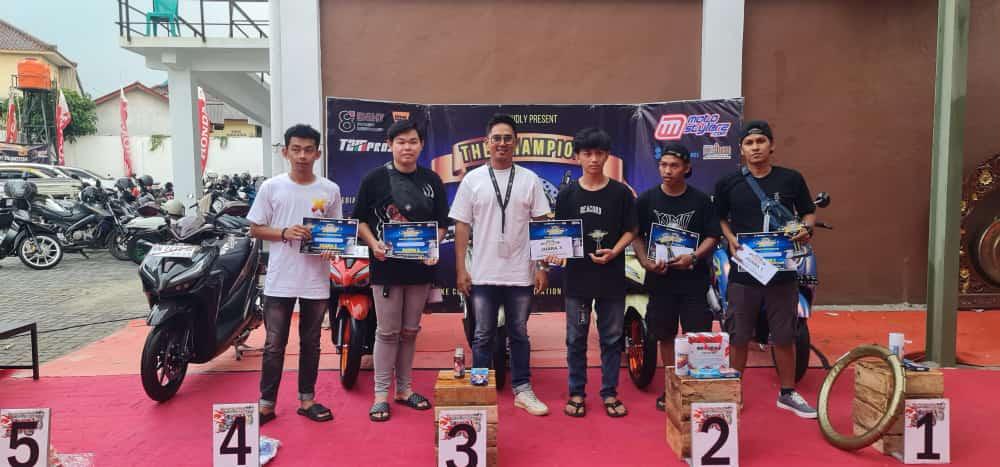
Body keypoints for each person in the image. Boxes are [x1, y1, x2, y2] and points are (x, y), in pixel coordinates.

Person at [450, 114, 552, 416]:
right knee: (482, 334)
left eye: (508, 138)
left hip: (521, 273)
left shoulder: (529, 179)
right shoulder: (473, 180)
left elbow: (541, 224)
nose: (502, 143)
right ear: (487, 143)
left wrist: (542, 266)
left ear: (516, 143)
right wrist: (461, 269)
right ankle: (479, 389)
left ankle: (523, 389)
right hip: (483, 273)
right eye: (497, 138)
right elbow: (462, 226)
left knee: (518, 333)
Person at [714, 120, 817, 418]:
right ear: (741, 150)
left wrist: (806, 229)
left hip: (782, 271)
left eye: (761, 141)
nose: (755, 147)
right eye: (749, 143)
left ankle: (787, 393)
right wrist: (730, 238)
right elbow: (719, 217)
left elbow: (808, 212)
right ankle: (734, 392)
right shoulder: (728, 183)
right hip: (744, 270)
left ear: (771, 145)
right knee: (739, 334)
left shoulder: (791, 179)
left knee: (785, 334)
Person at [352, 119, 450, 422]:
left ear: (421, 145)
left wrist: (433, 247)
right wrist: (374, 244)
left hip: (420, 268)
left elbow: (442, 224)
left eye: (413, 141)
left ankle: (404, 389)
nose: (407, 147)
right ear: (390, 145)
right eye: (401, 142)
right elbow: (360, 220)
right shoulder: (374, 179)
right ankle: (381, 394)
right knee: (387, 331)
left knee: (410, 331)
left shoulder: (432, 180)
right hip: (386, 267)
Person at [247, 124, 341, 425]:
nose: (302, 156)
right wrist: (284, 232)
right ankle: (266, 404)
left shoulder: (330, 190)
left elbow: (336, 233)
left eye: (308, 150)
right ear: (285, 152)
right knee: (274, 344)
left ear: (318, 154)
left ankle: (307, 400)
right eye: (296, 149)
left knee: (311, 342)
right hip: (280, 279)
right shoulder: (272, 187)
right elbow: (255, 229)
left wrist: (331, 247)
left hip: (315, 279)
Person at [552, 128, 636, 418]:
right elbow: (559, 233)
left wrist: (615, 251)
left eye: (599, 153)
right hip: (578, 279)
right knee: (576, 338)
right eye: (587, 153)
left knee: (611, 338)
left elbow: (631, 229)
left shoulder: (621, 193)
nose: (593, 159)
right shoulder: (566, 194)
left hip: (611, 277)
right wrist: (554, 251)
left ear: (607, 156)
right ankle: (576, 392)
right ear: (577, 157)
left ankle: (610, 392)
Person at [630, 143, 720, 411]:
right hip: (661, 282)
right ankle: (672, 387)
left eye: (674, 166)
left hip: (694, 281)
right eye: (663, 165)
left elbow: (713, 236)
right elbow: (635, 235)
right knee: (665, 335)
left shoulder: (701, 201)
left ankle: (693, 387)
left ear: (687, 168)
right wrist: (645, 261)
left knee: (696, 336)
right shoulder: (646, 200)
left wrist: (693, 256)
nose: (667, 170)